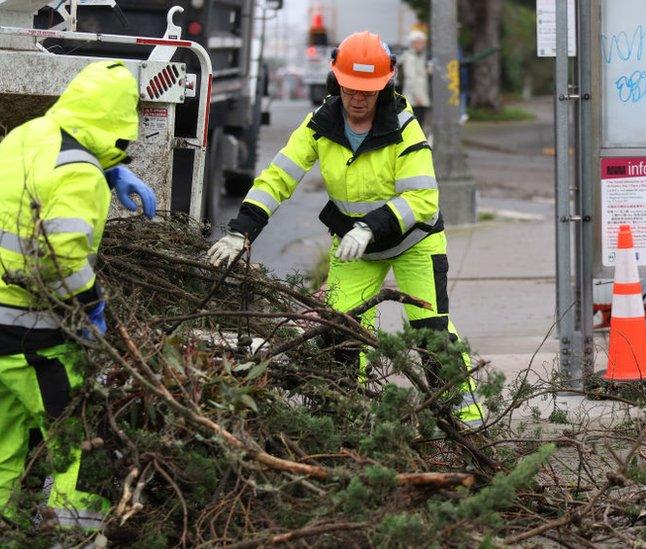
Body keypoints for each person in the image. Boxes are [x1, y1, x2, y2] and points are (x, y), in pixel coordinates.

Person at [207, 31, 482, 426]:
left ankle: (465, 420)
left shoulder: (405, 129)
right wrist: (240, 231)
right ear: (337, 82)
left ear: (385, 86)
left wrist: (370, 227)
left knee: (430, 331)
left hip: (415, 243)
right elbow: (277, 178)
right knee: (342, 332)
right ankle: (340, 419)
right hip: (356, 249)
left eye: (367, 91)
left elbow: (423, 201)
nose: (357, 98)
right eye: (351, 88)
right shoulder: (319, 124)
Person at [0, 60, 157, 528]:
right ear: (120, 122)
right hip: (28, 339)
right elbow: (62, 261)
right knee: (86, 451)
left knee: (5, 459)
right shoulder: (80, 173)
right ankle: (77, 542)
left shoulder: (27, 134)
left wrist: (111, 172)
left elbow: (42, 180)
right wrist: (93, 310)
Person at [398, 29, 431, 130]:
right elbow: (411, 78)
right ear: (413, 43)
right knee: (415, 126)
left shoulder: (419, 56)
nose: (423, 45)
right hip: (415, 99)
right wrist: (417, 96)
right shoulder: (410, 57)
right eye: (421, 42)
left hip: (419, 97)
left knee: (417, 125)